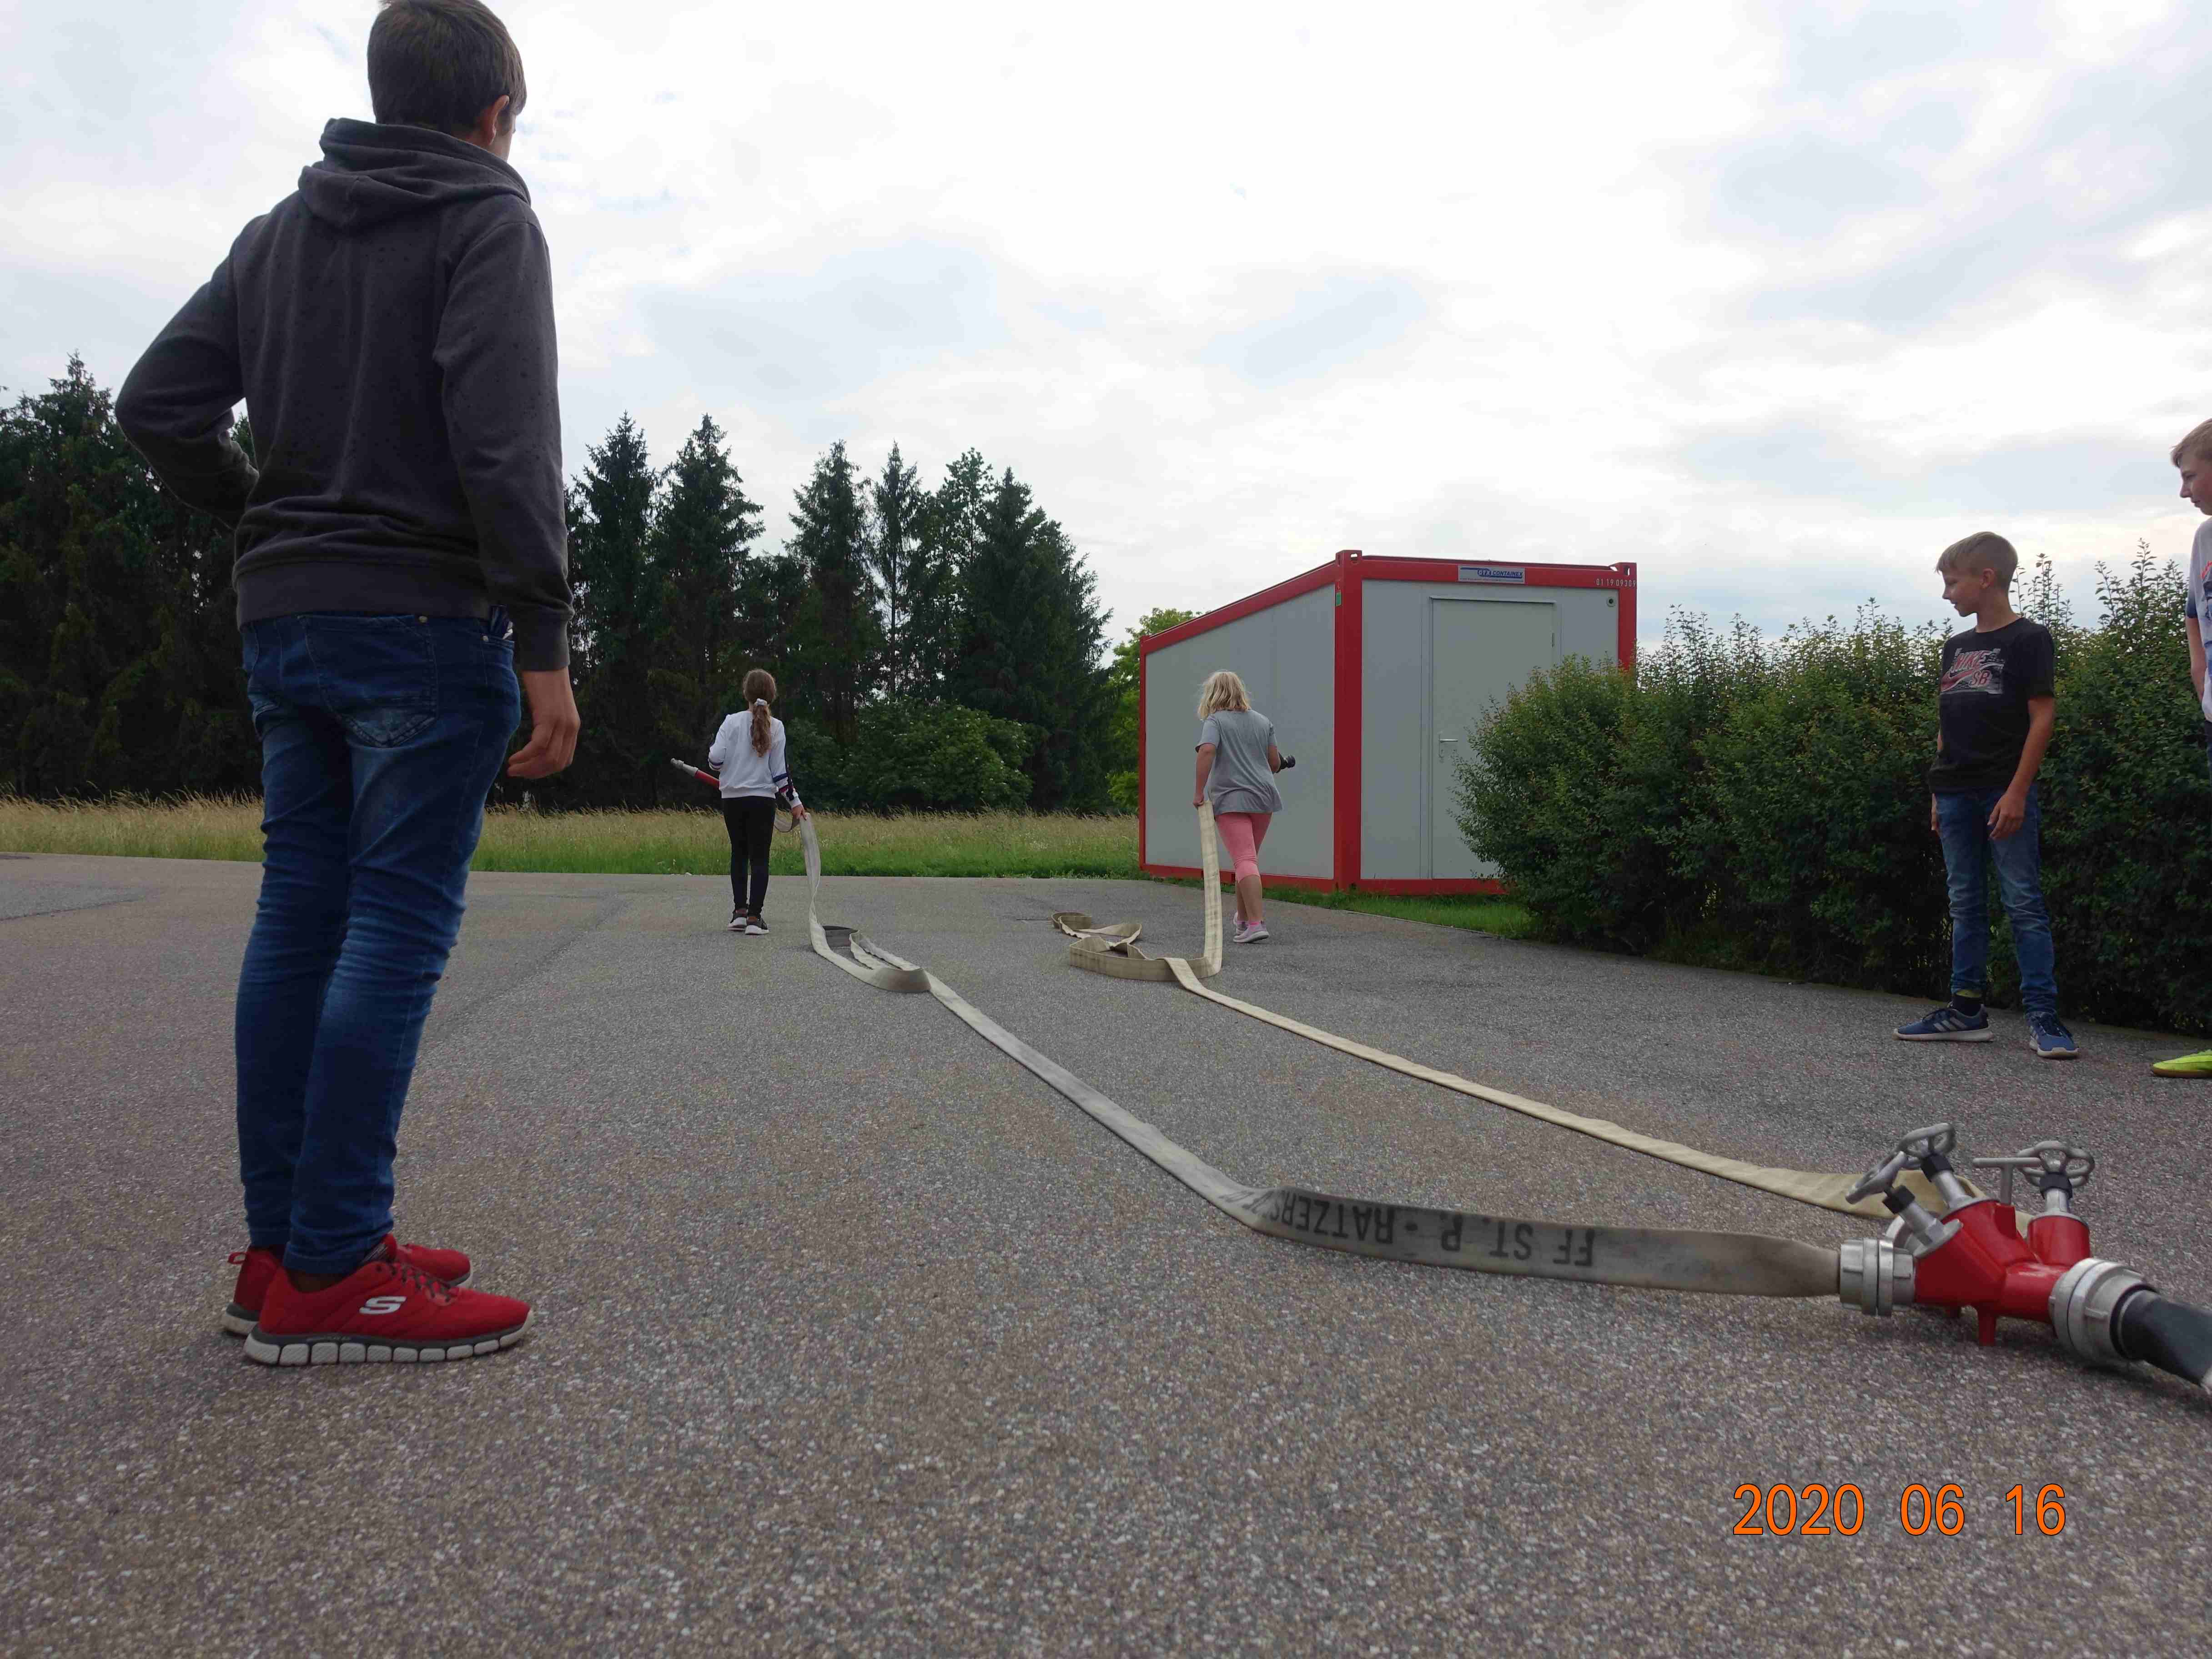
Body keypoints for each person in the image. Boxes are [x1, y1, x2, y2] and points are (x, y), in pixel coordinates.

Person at [116, 0, 576, 1365]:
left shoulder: (278, 233)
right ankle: (338, 1268)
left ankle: (288, 1250)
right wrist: (544, 642)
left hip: (286, 620)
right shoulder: (487, 217)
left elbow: (155, 403)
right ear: (496, 111)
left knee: (300, 920)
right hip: (422, 621)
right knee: (392, 925)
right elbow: (505, 442)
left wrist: (259, 507)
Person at [1893, 532, 2076, 1058]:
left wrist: (2017, 792)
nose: (1946, 594)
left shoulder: (2028, 639)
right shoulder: (1955, 647)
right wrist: (1938, 791)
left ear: (1986, 578)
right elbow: (1947, 722)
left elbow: (2042, 716)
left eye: (1953, 583)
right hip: (1953, 792)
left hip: (2002, 792)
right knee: (1964, 904)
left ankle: (2044, 1017)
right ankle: (1966, 1011)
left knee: (2023, 903)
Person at [2155, 420, 2212, 1076]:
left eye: (2191, 475)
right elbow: (2194, 615)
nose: (2184, 491)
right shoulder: (2204, 540)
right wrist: (2201, 680)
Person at [707, 669, 807, 934]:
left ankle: (739, 913)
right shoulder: (777, 727)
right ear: (772, 696)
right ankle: (755, 918)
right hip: (762, 801)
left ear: (746, 694)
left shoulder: (730, 722)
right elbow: (781, 773)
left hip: (732, 800)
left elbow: (715, 761)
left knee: (739, 854)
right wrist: (795, 802)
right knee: (760, 858)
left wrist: (729, 764)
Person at [1192, 670, 1287, 944]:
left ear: (1213, 694)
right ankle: (1244, 921)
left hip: (1232, 798)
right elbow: (1274, 763)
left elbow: (1207, 751)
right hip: (1264, 798)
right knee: (1247, 860)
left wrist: (1199, 792)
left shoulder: (1215, 721)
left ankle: (1256, 924)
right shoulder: (1263, 721)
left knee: (1244, 860)